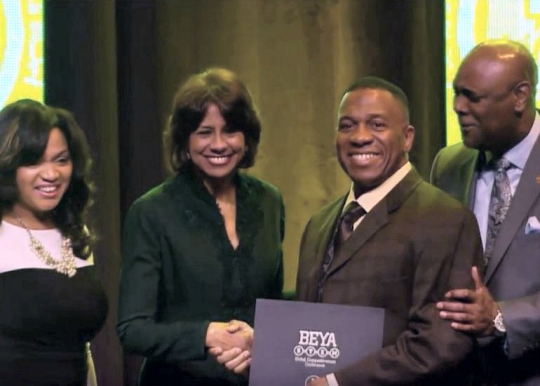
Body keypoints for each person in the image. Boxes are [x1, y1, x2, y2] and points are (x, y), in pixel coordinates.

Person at [296, 76, 484, 385]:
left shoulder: (446, 220)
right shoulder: (318, 224)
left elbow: (441, 341)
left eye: (377, 125)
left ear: (407, 137)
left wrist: (337, 382)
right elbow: (304, 329)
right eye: (347, 126)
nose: (360, 137)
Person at [117, 67, 285, 386]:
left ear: (247, 137)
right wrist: (207, 334)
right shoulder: (152, 212)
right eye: (205, 132)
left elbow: (271, 307)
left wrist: (259, 342)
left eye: (231, 131)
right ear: (185, 139)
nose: (219, 144)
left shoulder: (269, 201)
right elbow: (133, 330)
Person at [431, 40, 540, 385]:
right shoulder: (448, 165)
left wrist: (501, 317)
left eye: (472, 97)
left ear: (520, 96)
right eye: (456, 94)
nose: (458, 107)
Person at [0, 99, 108, 385]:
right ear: (8, 166)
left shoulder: (75, 232)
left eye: (61, 160)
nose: (51, 174)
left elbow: (83, 353)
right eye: (34, 161)